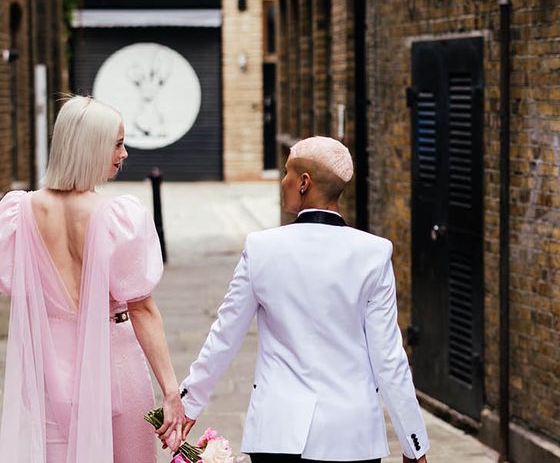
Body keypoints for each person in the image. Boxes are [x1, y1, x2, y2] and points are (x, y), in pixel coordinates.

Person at [179, 136, 430, 463]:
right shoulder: (373, 253)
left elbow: (225, 335)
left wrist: (188, 403)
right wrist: (414, 443)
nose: (282, 181)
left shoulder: (261, 249)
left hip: (277, 434)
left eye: (287, 173)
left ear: (304, 183)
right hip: (351, 436)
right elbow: (388, 358)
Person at [0, 95, 186, 462]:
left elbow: (8, 282)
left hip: (49, 369)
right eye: (117, 143)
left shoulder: (19, 212)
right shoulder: (117, 218)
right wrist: (171, 390)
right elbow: (142, 308)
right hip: (114, 363)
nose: (124, 153)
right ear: (90, 146)